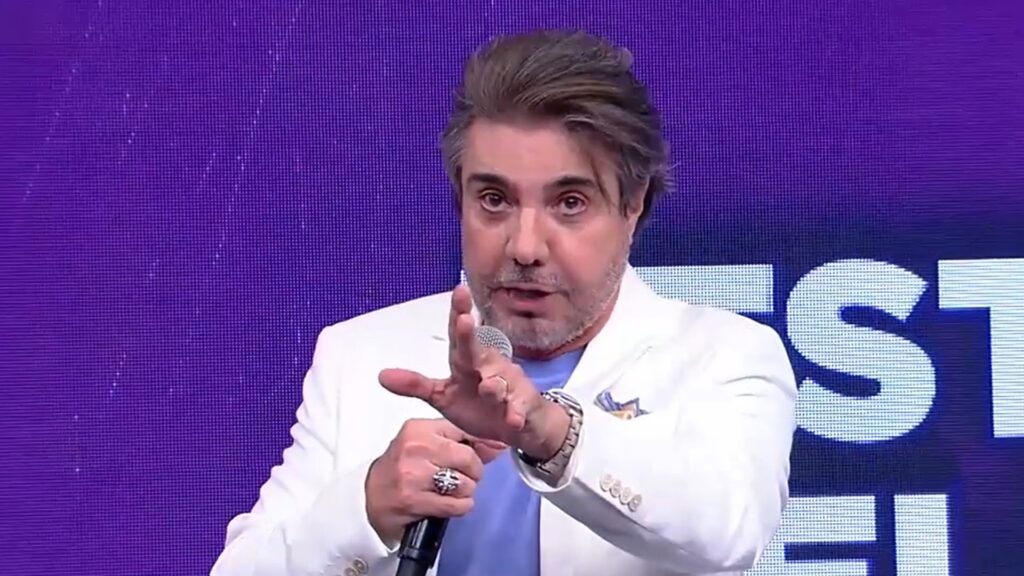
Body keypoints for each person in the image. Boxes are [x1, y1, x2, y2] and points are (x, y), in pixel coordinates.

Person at [211, 29, 797, 576]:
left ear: (633, 203)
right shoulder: (360, 354)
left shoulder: (723, 354)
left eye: (569, 203)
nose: (524, 247)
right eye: (494, 199)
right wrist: (367, 508)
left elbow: (730, 529)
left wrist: (549, 433)